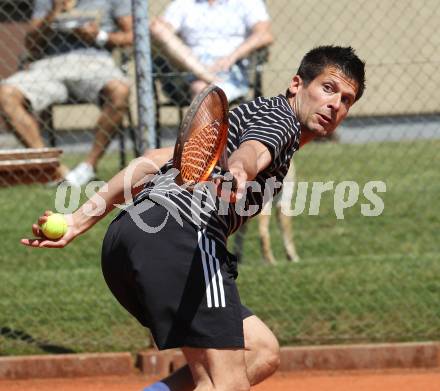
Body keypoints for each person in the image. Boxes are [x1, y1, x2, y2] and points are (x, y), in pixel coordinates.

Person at [22, 46, 365, 391]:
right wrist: (240, 171)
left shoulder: (252, 111)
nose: (335, 104)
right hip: (181, 235)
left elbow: (154, 159)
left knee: (260, 350)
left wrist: (77, 221)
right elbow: (256, 151)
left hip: (129, 236)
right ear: (296, 84)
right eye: (327, 88)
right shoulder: (282, 122)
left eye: (347, 99)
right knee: (225, 383)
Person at [0, 0, 133, 186]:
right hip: (50, 65)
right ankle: (51, 168)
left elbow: (133, 36)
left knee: (120, 90)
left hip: (95, 62)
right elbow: (30, 43)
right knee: (5, 94)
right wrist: (53, 14)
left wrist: (99, 35)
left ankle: (88, 167)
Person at [149, 0, 273, 103]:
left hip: (230, 68)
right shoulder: (183, 3)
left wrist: (232, 57)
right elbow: (161, 31)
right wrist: (161, 26)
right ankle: (204, 73)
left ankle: (201, 132)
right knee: (156, 28)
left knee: (202, 89)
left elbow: (264, 35)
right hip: (188, 68)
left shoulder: (247, 2)